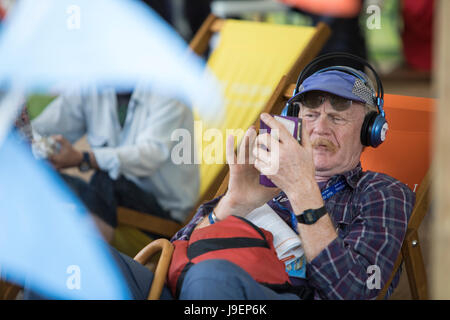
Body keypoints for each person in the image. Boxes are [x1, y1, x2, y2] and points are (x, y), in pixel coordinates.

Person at [26, 56, 415, 300]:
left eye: (339, 116)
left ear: (371, 131)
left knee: (212, 277)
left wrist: (302, 190)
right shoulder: (266, 180)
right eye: (311, 114)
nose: (319, 128)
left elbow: (353, 292)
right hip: (185, 290)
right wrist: (234, 202)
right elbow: (177, 253)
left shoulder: (381, 194)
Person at [31, 83, 199, 242]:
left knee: (104, 179)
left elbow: (149, 156)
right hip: (115, 197)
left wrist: (84, 158)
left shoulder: (169, 91)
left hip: (164, 211)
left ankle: (91, 257)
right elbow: (44, 128)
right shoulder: (92, 86)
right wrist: (20, 132)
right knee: (53, 182)